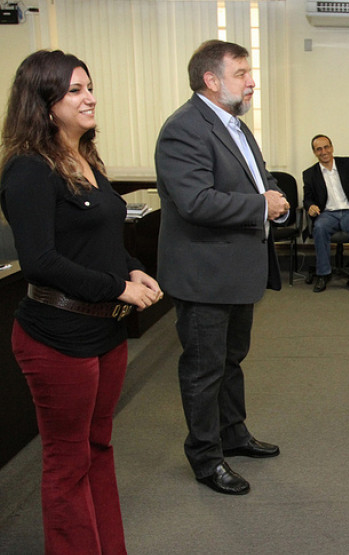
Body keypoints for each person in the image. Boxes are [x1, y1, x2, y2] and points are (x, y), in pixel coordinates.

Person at [1, 50, 163, 553]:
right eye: (74, 90)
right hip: (56, 338)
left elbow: (101, 240)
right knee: (67, 462)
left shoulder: (84, 157)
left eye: (88, 86)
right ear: (44, 102)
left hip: (104, 333)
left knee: (98, 449)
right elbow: (42, 261)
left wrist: (130, 268)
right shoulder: (28, 170)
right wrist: (119, 288)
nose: (89, 97)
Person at [156, 40, 288, 496]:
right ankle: (206, 458)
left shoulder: (235, 125)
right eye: (242, 74)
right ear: (211, 81)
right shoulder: (184, 128)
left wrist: (278, 203)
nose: (252, 82)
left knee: (231, 362)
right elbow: (195, 201)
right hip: (204, 275)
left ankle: (234, 434)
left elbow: (261, 179)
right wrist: (261, 205)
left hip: (236, 272)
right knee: (203, 369)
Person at [302, 134, 349, 293]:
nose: (324, 151)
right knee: (319, 228)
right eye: (319, 149)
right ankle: (323, 273)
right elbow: (307, 198)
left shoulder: (348, 163)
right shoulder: (310, 174)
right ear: (314, 152)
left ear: (332, 148)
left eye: (326, 147)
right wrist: (311, 206)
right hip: (327, 214)